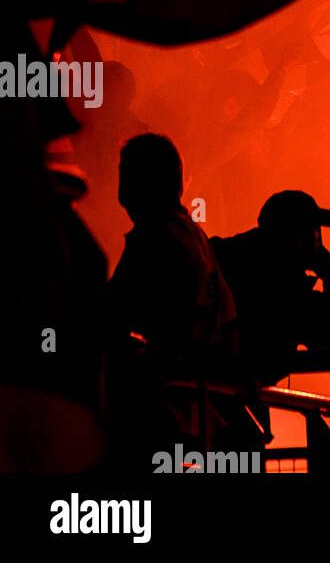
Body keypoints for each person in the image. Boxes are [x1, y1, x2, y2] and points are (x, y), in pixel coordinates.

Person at [106, 134, 238, 463]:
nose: (120, 183)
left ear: (152, 179)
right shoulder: (194, 237)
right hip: (192, 415)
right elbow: (229, 319)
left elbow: (112, 313)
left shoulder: (155, 238)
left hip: (155, 414)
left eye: (127, 171)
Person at [211, 191, 330, 382]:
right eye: (314, 230)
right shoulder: (295, 297)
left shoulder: (219, 253)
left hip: (196, 390)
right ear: (298, 236)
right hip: (234, 403)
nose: (318, 240)